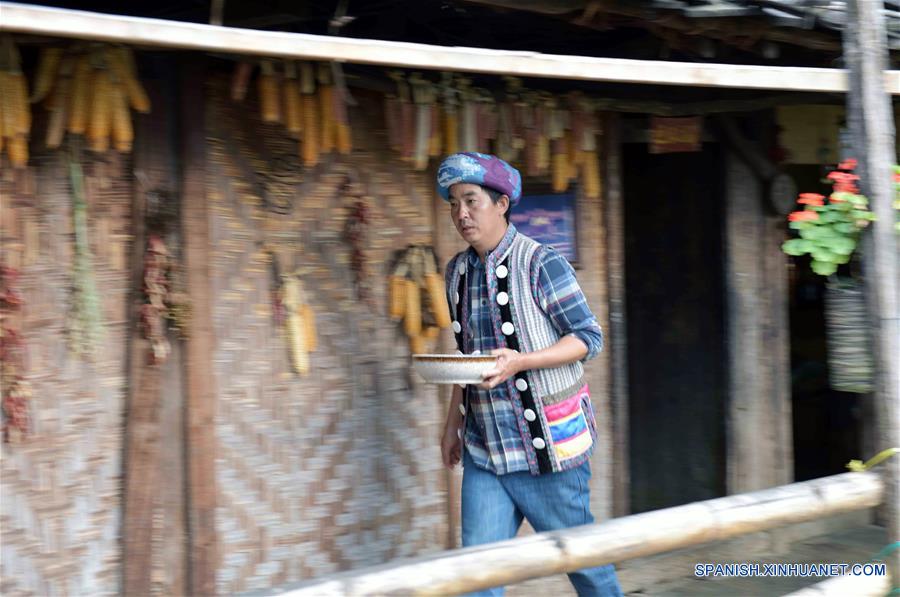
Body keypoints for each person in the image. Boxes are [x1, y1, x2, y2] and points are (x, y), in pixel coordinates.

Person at [437, 152, 623, 597]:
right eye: (453, 204)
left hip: (550, 454)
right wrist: (452, 424)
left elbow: (587, 337)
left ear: (502, 204)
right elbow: (468, 358)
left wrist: (521, 361)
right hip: (486, 452)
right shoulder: (456, 273)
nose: (461, 214)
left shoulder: (542, 263)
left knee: (587, 571)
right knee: (477, 579)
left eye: (471, 200)